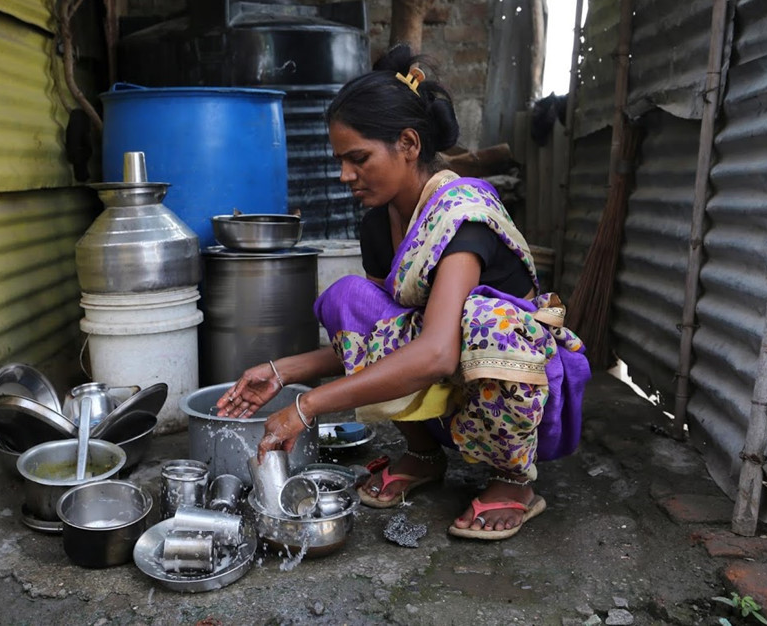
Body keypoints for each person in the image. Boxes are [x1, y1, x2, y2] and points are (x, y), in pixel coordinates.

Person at [216, 45, 591, 541]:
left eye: (358, 158)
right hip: (455, 377)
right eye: (340, 161)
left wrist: (306, 408)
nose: (345, 175)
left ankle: (513, 479)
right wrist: (280, 373)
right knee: (347, 298)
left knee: (485, 322)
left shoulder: (462, 215)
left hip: (519, 386)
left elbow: (437, 352)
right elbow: (370, 336)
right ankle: (424, 453)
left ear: (409, 143)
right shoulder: (379, 223)